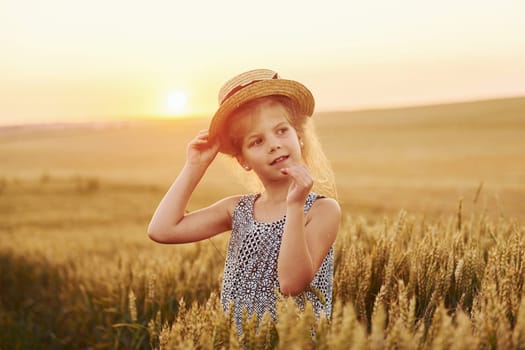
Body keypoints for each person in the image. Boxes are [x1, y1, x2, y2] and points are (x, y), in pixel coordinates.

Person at [147, 69, 340, 332]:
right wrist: (195, 166)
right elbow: (162, 230)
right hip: (240, 341)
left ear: (299, 137)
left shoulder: (321, 210)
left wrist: (295, 205)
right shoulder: (237, 209)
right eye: (257, 141)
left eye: (282, 131)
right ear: (244, 160)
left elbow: (291, 284)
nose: (274, 144)